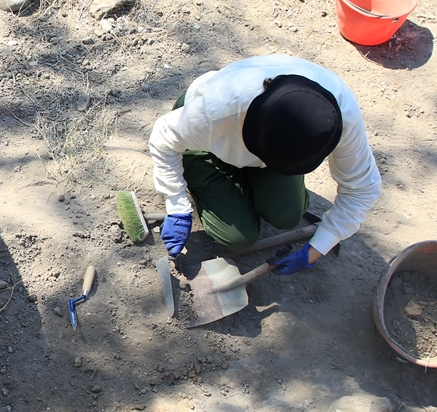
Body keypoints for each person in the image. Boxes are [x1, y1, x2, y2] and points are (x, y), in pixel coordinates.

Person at [149, 54, 381, 274]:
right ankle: (212, 178)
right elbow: (163, 137)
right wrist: (176, 204)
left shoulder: (340, 117)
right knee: (238, 237)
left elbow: (363, 189)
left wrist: (317, 248)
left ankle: (249, 184)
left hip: (275, 147)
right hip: (211, 142)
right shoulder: (217, 109)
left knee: (288, 216)